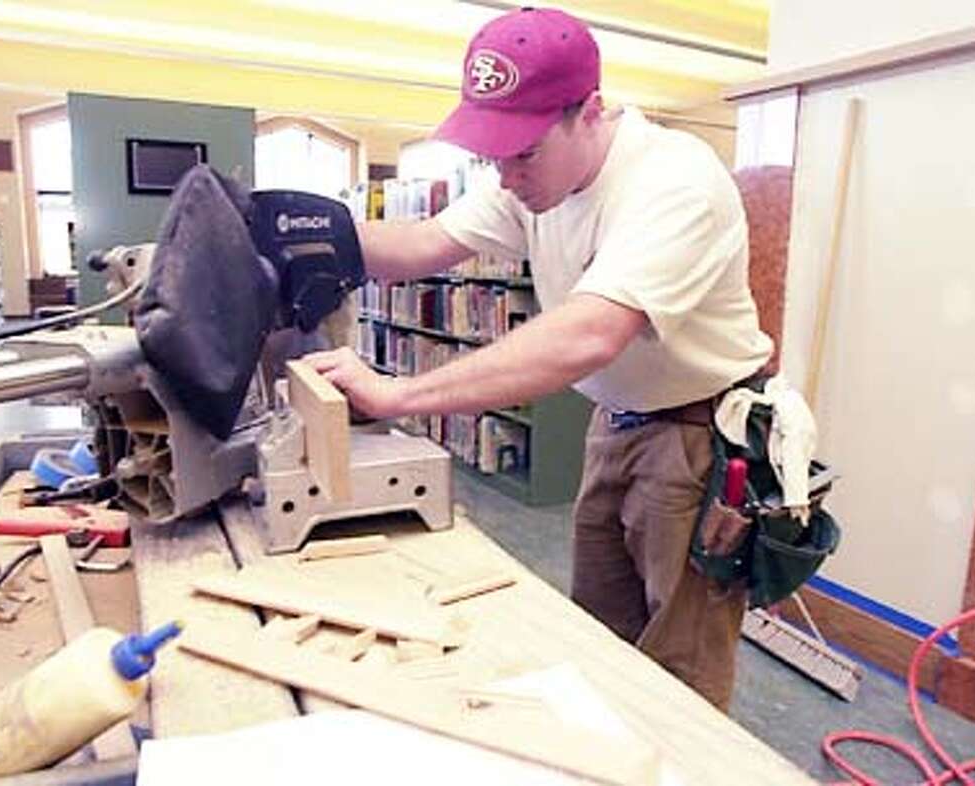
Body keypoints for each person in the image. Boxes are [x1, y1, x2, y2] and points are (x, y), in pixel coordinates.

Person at [304, 6, 773, 711]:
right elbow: (423, 243)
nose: (507, 176)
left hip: (697, 435)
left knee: (682, 664)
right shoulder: (532, 180)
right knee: (600, 633)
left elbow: (588, 334)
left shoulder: (675, 181)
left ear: (590, 112)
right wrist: (300, 231)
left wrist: (399, 394)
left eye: (522, 154)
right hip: (616, 420)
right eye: (495, 154)